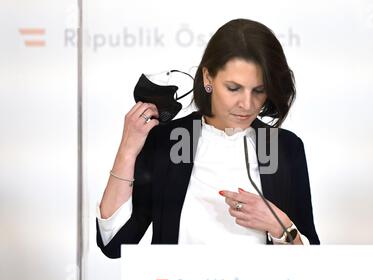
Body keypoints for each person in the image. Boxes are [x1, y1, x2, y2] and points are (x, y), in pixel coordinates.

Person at [97, 18, 319, 259]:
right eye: (234, 88)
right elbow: (114, 242)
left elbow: (310, 263)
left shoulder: (285, 148)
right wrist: (127, 150)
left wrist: (280, 226)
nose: (247, 104)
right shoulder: (167, 141)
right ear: (208, 78)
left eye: (259, 90)